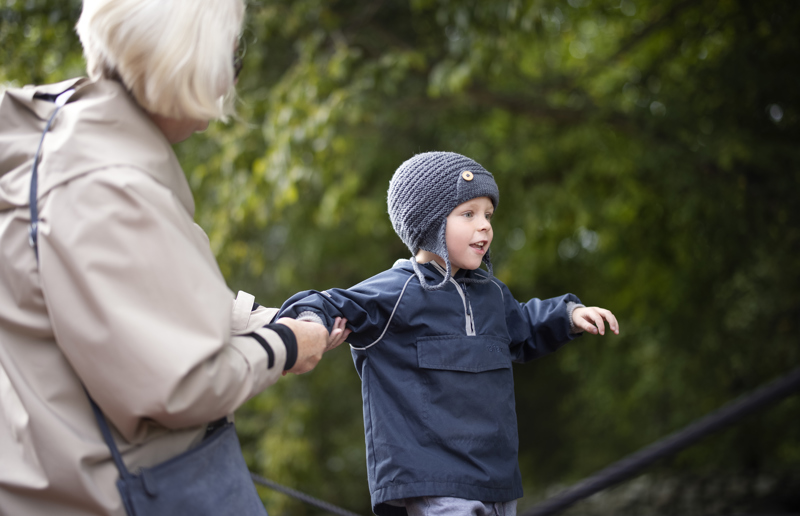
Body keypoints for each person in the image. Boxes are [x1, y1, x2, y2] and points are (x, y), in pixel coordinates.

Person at [0, 0, 348, 514]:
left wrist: (258, 320)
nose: (230, 83)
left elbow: (128, 305)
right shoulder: (107, 186)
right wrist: (286, 345)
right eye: (230, 60)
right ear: (191, 60)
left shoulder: (57, 134)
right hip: (130, 492)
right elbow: (185, 388)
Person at [278, 151, 619, 516]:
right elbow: (326, 303)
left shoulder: (492, 294)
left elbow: (524, 324)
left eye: (488, 215)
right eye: (468, 214)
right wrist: (311, 323)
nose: (485, 225)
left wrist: (570, 314)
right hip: (432, 484)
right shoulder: (396, 292)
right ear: (429, 224)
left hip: (497, 480)